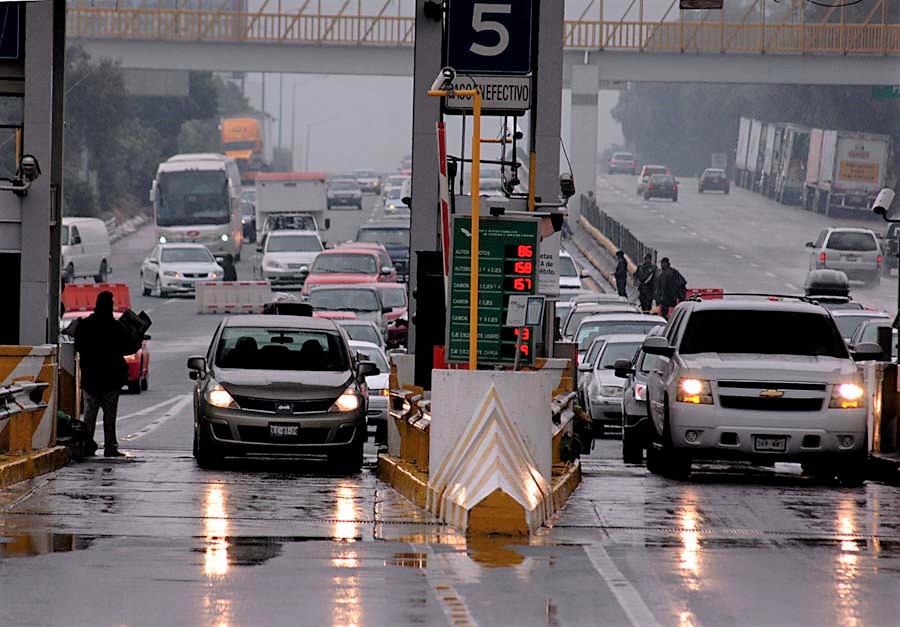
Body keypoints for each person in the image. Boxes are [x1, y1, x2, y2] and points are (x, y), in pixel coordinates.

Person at [74, 291, 139, 457]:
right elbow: (128, 347)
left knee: (89, 414)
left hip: (91, 378)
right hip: (111, 379)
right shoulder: (116, 327)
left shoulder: (86, 325)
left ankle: (86, 445)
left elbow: (78, 346)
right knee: (110, 415)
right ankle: (110, 446)